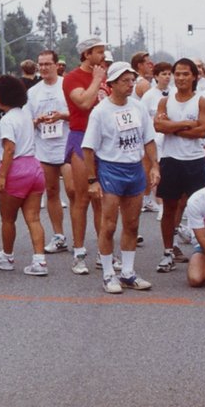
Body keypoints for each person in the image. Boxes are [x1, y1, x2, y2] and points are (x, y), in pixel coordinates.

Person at [82, 61, 159, 294]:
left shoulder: (138, 107)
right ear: (112, 84)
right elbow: (88, 148)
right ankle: (108, 274)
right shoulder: (100, 111)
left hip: (135, 169)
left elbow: (149, 139)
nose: (130, 84)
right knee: (108, 225)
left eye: (132, 80)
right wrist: (92, 180)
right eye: (125, 81)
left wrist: (154, 166)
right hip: (111, 170)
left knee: (132, 223)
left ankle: (127, 272)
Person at [153, 58, 205, 273]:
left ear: (194, 76)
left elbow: (202, 131)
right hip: (170, 160)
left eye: (185, 74)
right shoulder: (164, 102)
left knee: (203, 209)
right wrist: (186, 124)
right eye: (177, 74)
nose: (180, 78)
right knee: (169, 208)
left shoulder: (201, 101)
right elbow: (158, 125)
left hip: (195, 161)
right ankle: (168, 252)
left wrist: (172, 128)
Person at [0, 75, 49, 275]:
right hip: (34, 167)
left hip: (15, 170)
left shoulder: (7, 120)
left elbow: (9, 149)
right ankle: (39, 261)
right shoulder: (24, 115)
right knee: (34, 218)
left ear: (1, 97)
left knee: (7, 219)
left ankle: (7, 256)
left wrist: (2, 176)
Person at [61, 36, 109, 274]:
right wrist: (97, 80)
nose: (102, 56)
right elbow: (83, 103)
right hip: (81, 137)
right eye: (98, 52)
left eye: (103, 51)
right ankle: (79, 253)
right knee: (82, 198)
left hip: (105, 141)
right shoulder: (72, 78)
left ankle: (104, 252)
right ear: (87, 54)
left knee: (103, 199)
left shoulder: (106, 77)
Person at [26, 49, 71, 256]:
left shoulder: (66, 85)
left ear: (56, 65)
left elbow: (79, 114)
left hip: (67, 145)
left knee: (73, 191)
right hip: (44, 147)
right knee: (51, 191)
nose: (43, 68)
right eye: (41, 64)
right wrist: (37, 120)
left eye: (47, 64)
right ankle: (59, 236)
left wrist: (61, 115)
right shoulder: (33, 92)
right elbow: (27, 121)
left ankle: (80, 238)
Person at [139, 60, 172, 214]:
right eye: (164, 74)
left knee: (168, 172)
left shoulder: (174, 92)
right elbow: (142, 117)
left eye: (169, 74)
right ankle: (156, 203)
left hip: (170, 138)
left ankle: (167, 204)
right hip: (153, 138)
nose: (167, 77)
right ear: (156, 76)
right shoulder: (149, 96)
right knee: (153, 170)